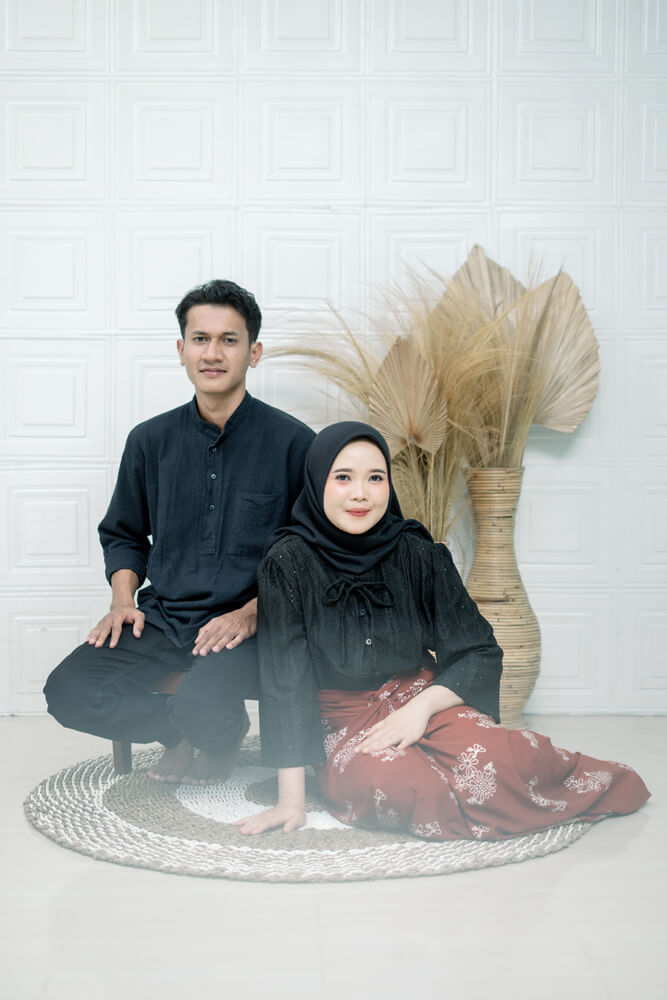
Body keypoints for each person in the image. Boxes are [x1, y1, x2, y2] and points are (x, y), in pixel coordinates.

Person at [237, 422, 650, 838]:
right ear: (316, 483)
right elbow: (285, 681)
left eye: (375, 478)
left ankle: (592, 786)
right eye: (343, 477)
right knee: (403, 786)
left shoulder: (417, 552)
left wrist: (418, 711)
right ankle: (467, 797)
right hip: (341, 721)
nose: (360, 493)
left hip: (424, 699)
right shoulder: (286, 562)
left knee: (505, 761)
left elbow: (479, 650)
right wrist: (291, 802)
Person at [44, 279, 315, 784]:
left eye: (229, 340)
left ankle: (216, 730)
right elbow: (124, 532)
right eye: (200, 339)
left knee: (202, 700)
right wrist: (122, 601)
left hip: (250, 627)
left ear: (254, 353)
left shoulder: (295, 443)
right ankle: (179, 733)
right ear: (181, 349)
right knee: (67, 690)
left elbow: (313, 553)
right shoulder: (149, 441)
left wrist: (254, 612)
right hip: (165, 617)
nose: (212, 353)